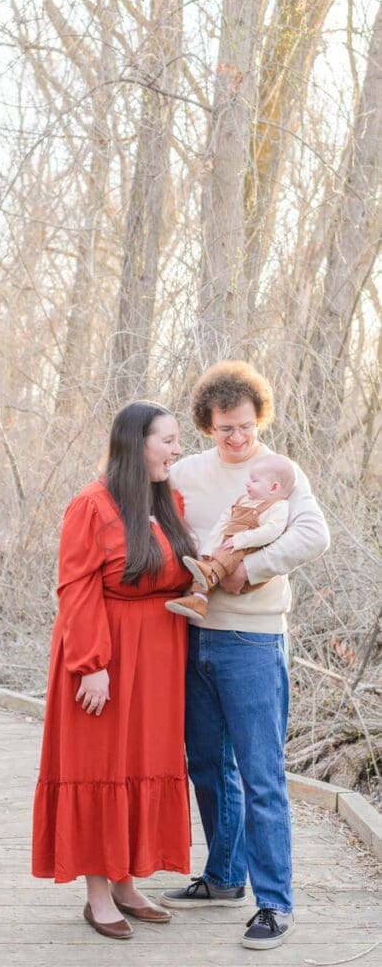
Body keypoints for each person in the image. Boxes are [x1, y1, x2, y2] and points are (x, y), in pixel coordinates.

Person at [162, 361, 329, 951]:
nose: (238, 438)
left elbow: (314, 535)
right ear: (208, 424)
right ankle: (223, 877)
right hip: (191, 636)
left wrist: (250, 571)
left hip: (254, 640)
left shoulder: (280, 472)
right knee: (207, 765)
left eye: (246, 426)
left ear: (260, 420)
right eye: (225, 427)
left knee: (260, 774)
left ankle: (274, 904)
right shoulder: (185, 472)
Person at [32, 402, 197, 940]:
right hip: (104, 655)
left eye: (177, 441)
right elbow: (76, 590)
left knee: (139, 762)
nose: (176, 450)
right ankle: (98, 894)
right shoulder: (90, 505)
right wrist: (91, 665)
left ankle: (127, 884)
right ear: (136, 443)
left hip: (158, 659)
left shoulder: (167, 500)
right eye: (167, 441)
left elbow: (177, 574)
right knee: (100, 764)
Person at [164, 453, 296, 623]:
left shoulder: (278, 506)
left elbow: (271, 531)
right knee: (211, 561)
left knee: (228, 554)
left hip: (248, 549)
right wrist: (209, 549)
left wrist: (240, 540)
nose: (247, 483)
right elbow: (222, 523)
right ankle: (198, 599)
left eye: (254, 481)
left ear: (273, 488)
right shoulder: (243, 501)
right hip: (228, 546)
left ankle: (210, 575)